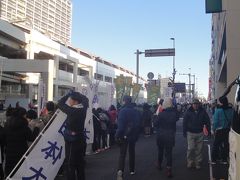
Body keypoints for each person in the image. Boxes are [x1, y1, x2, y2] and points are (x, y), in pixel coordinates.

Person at [58, 91, 89, 180]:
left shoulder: (72, 110)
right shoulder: (83, 108)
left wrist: (68, 94)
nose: (69, 101)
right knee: (80, 163)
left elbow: (60, 103)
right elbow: (85, 99)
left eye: (70, 99)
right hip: (81, 138)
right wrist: (78, 94)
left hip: (71, 140)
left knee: (70, 164)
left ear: (75, 101)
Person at [3, 107, 40, 177]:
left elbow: (4, 139)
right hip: (21, 153)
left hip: (9, 153)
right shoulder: (24, 126)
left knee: (10, 173)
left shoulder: (7, 125)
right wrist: (36, 128)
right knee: (21, 172)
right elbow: (31, 138)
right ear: (22, 115)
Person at [115, 95, 141, 180]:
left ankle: (120, 172)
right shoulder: (136, 111)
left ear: (124, 101)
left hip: (123, 135)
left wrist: (117, 135)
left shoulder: (122, 111)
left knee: (122, 154)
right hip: (132, 135)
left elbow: (121, 126)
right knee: (132, 152)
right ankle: (132, 170)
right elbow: (138, 125)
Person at [154, 97, 179, 178]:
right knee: (169, 153)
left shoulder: (161, 114)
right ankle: (169, 169)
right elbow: (177, 116)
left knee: (160, 151)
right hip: (170, 135)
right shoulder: (174, 114)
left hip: (161, 135)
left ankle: (159, 164)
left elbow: (155, 124)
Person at [183, 99, 211, 169]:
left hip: (200, 132)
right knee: (191, 148)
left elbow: (207, 121)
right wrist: (184, 131)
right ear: (192, 104)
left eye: (197, 104)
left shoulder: (203, 111)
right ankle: (190, 161)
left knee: (199, 149)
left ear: (199, 104)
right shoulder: (188, 111)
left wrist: (209, 131)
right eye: (194, 104)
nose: (195, 105)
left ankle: (197, 162)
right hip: (190, 132)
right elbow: (184, 122)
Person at [211, 96, 234, 164]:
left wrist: (213, 129)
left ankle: (214, 159)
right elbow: (232, 120)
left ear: (221, 103)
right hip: (227, 130)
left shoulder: (218, 111)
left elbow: (215, 122)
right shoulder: (231, 110)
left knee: (216, 145)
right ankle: (224, 159)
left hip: (219, 130)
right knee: (226, 145)